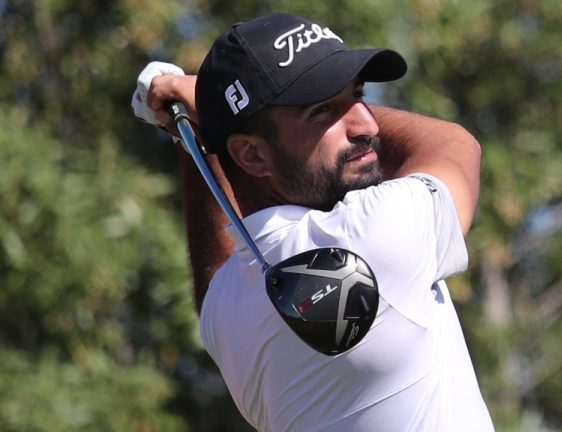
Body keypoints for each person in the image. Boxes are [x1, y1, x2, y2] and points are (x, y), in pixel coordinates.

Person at [133, 12, 493, 432]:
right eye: (322, 110)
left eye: (358, 95)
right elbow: (453, 143)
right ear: (251, 155)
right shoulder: (371, 234)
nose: (367, 124)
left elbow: (218, 271)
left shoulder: (228, 310)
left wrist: (195, 136)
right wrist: (200, 112)